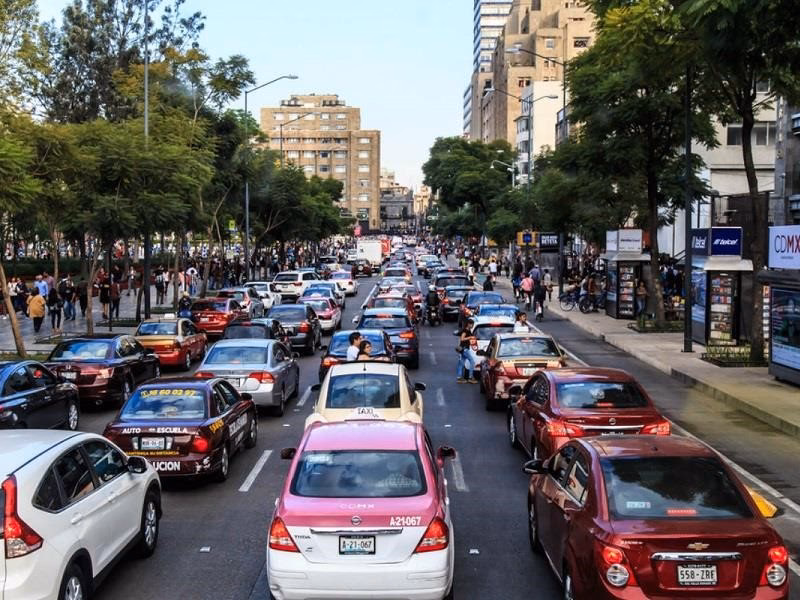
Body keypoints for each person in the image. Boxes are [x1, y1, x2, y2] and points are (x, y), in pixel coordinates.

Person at [456, 318, 477, 383]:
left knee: (461, 363)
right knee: (472, 362)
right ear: (468, 324)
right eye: (472, 324)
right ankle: (470, 377)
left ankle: (459, 378)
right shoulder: (465, 331)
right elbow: (462, 339)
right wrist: (470, 337)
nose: (472, 325)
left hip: (464, 349)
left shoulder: (468, 331)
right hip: (465, 349)